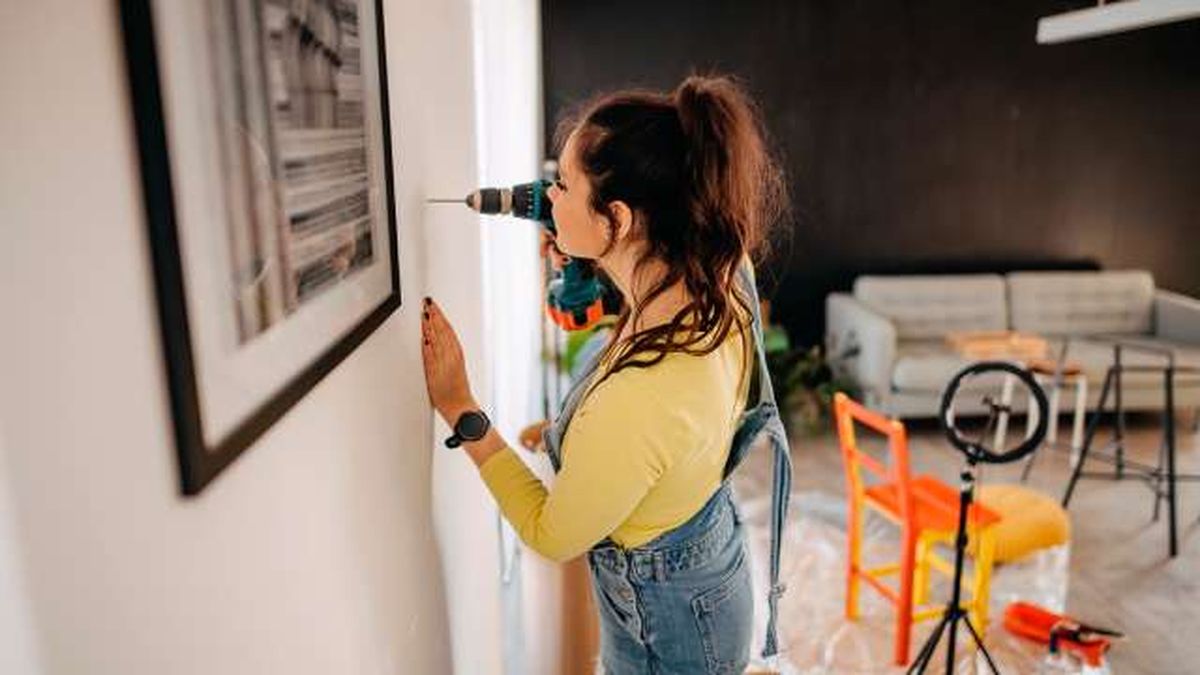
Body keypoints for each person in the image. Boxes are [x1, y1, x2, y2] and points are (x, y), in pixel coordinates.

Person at [421, 74, 792, 674]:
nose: (546, 196)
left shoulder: (641, 397)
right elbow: (662, 429)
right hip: (713, 562)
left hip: (669, 625)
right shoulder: (721, 271)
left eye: (563, 184)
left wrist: (463, 410)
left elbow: (552, 534)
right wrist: (598, 260)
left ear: (618, 219)